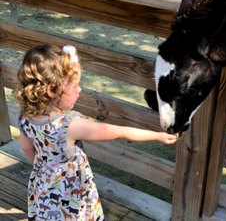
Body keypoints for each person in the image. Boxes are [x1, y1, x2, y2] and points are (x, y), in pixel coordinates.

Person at [16, 44, 177, 221]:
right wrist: (158, 136)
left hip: (44, 187)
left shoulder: (25, 116)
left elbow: (25, 147)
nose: (80, 90)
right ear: (53, 90)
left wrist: (48, 169)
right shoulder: (68, 126)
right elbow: (118, 132)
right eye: (75, 85)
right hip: (71, 194)